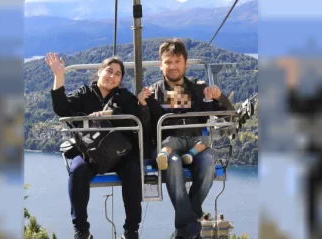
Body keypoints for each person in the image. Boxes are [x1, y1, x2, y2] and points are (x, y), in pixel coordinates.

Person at [138, 39, 235, 239]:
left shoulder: (199, 90)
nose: (172, 67)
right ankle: (191, 224)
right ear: (160, 65)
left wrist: (219, 98)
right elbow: (145, 129)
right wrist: (142, 106)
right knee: (172, 163)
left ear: (185, 64)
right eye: (168, 62)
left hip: (195, 145)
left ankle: (185, 227)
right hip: (167, 145)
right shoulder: (153, 94)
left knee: (208, 161)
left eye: (177, 61)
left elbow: (229, 115)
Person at [47, 52, 146, 239]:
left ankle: (131, 229)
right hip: (89, 152)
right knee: (77, 170)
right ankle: (82, 230)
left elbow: (140, 118)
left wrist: (116, 111)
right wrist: (58, 76)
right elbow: (62, 108)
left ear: (121, 79)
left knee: (133, 170)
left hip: (119, 153)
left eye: (118, 74)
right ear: (100, 72)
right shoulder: (84, 94)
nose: (112, 76)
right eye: (109, 71)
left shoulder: (124, 97)